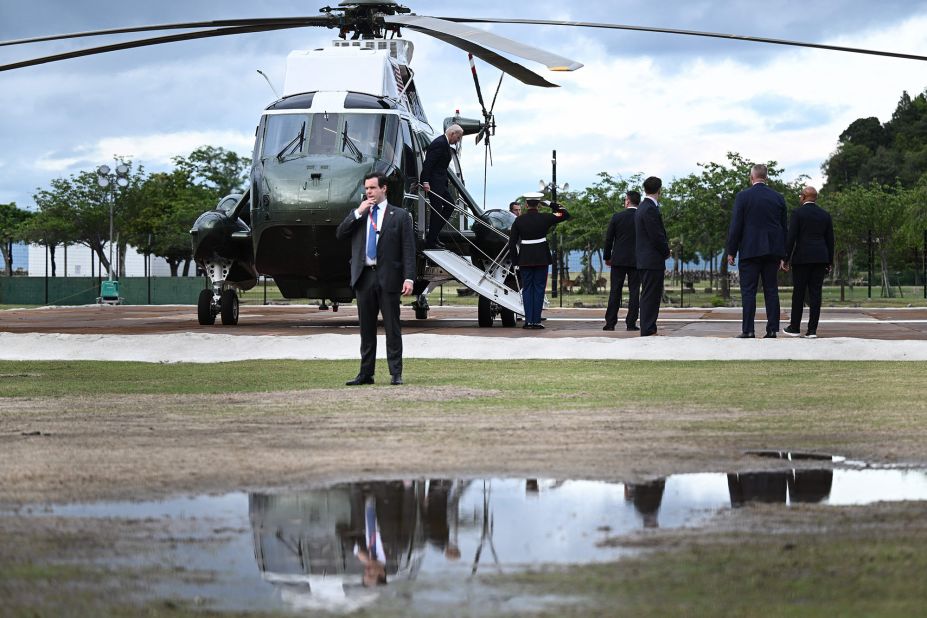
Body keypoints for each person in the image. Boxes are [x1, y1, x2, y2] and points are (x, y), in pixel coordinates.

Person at [336, 172, 415, 385]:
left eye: (372, 188)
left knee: (392, 327)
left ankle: (396, 373)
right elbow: (340, 234)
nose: (368, 192)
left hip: (389, 277)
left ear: (383, 188)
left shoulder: (399, 216)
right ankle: (366, 374)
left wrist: (409, 278)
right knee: (366, 329)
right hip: (364, 277)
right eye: (366, 188)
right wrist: (357, 212)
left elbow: (408, 249)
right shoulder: (361, 214)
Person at [726, 164, 788, 339]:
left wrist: (732, 250)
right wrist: (784, 255)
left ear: (751, 177)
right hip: (772, 250)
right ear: (766, 178)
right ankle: (772, 329)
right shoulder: (778, 198)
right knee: (771, 290)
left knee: (748, 291)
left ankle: (748, 330)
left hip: (750, 250)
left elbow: (736, 226)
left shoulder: (743, 197)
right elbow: (784, 229)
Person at [507, 192, 570, 329]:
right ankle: (536, 321)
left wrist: (515, 261)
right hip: (542, 258)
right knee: (539, 289)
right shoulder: (546, 217)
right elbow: (565, 214)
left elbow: (512, 244)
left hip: (524, 259)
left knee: (527, 289)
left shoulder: (519, 220)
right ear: (539, 205)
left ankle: (529, 321)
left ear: (526, 204)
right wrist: (549, 203)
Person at [783, 186, 834, 338]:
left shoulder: (797, 213)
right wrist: (829, 261)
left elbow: (791, 237)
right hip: (820, 258)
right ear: (815, 198)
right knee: (815, 294)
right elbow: (830, 240)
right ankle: (812, 330)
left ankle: (795, 327)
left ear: (804, 197)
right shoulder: (825, 215)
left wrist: (785, 258)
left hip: (802, 258)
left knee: (798, 293)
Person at [635, 177, 670, 337]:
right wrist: (666, 251)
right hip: (651, 259)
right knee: (651, 295)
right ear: (659, 190)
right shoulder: (649, 208)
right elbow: (656, 235)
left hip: (644, 258)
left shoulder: (642, 207)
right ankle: (648, 328)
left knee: (649, 294)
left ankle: (649, 326)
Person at [420, 124, 464, 249]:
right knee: (437, 211)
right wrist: (425, 181)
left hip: (440, 183)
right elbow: (428, 163)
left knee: (450, 205)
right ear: (453, 133)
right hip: (434, 183)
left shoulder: (444, 143)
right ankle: (431, 241)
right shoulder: (439, 143)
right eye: (458, 137)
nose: (458, 141)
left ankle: (434, 235)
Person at [603, 190, 641, 331]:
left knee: (615, 291)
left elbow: (609, 239)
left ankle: (610, 322)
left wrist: (607, 257)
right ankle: (631, 323)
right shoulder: (641, 217)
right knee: (634, 291)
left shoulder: (617, 217)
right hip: (637, 260)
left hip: (618, 259)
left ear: (628, 201)